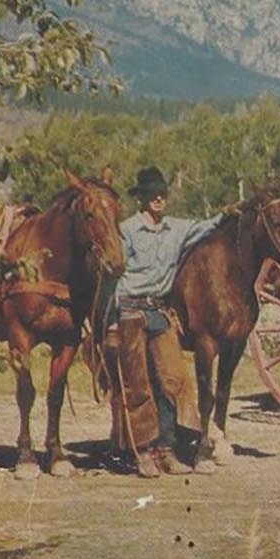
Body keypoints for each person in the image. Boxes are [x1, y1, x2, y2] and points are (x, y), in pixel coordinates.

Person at [111, 166, 220, 478]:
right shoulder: (127, 231)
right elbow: (115, 278)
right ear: (141, 199)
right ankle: (143, 451)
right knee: (138, 384)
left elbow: (208, 225)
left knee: (173, 379)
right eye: (152, 194)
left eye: (162, 193)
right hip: (130, 311)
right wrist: (111, 324)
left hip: (159, 312)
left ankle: (167, 449)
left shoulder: (177, 228)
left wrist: (234, 211)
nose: (159, 198)